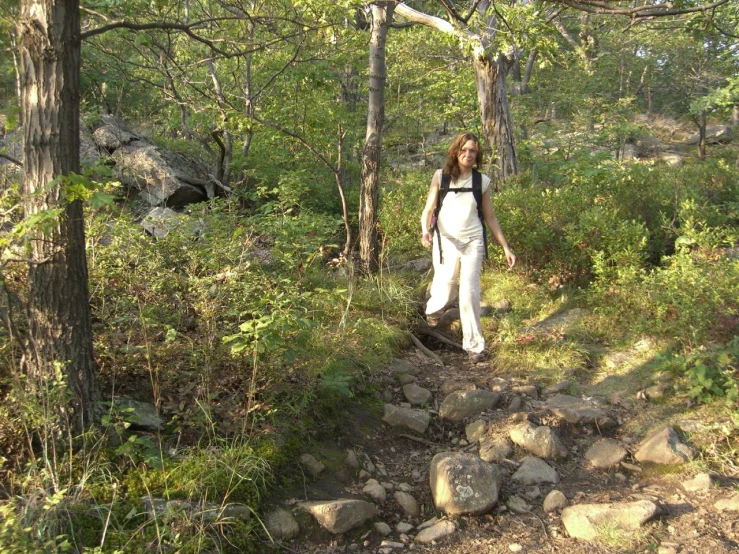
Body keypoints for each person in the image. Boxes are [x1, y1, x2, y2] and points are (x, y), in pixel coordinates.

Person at [420, 132, 516, 362]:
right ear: (455, 152)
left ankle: (474, 346)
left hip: (473, 242)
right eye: (464, 150)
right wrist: (425, 230)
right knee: (445, 290)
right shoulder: (441, 177)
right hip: (446, 242)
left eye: (472, 150)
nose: (468, 154)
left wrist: (505, 247)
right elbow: (429, 208)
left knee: (469, 291)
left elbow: (490, 217)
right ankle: (431, 313)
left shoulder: (481, 181)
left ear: (477, 154)